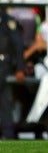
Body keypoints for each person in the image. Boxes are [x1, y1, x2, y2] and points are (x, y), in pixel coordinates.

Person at [0, 8, 25, 140]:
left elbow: (18, 45)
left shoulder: (7, 21)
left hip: (3, 64)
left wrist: (20, 67)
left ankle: (8, 134)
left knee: (4, 101)